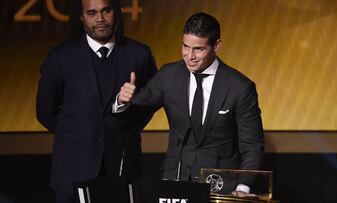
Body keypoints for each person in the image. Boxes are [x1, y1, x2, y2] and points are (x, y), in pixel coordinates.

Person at [114, 12, 264, 195]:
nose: (189, 56)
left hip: (220, 187)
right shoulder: (168, 76)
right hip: (176, 181)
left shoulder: (240, 87)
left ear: (217, 45)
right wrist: (122, 102)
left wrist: (243, 186)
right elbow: (134, 118)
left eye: (199, 49)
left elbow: (252, 145)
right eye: (185, 46)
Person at [36, 0, 157, 202]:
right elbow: (45, 112)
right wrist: (78, 133)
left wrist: (125, 121)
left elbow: (151, 104)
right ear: (81, 17)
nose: (100, 19)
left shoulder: (139, 55)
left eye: (106, 11)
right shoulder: (60, 57)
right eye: (92, 13)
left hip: (122, 167)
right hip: (72, 172)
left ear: (116, 12)